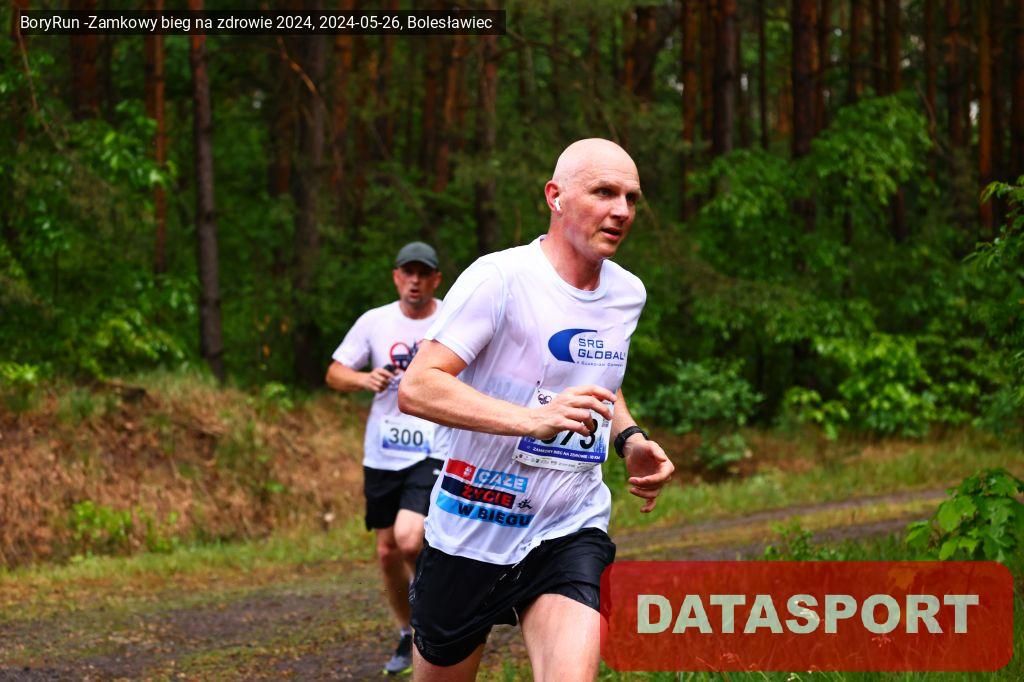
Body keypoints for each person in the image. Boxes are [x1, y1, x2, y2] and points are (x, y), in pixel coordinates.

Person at [398, 139, 675, 681]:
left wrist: (630, 439)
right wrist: (531, 420)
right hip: (473, 526)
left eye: (631, 198)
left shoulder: (628, 293)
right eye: (604, 192)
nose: (622, 210)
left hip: (567, 525)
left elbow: (599, 379)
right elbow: (419, 387)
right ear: (555, 196)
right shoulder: (499, 279)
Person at [325, 241, 447, 675]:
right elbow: (334, 372)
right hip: (383, 451)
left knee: (410, 539)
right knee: (387, 551)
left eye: (423, 274)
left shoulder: (450, 318)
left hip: (433, 446)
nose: (415, 281)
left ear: (436, 280)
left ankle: (436, 613)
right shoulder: (374, 321)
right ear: (396, 277)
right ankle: (407, 631)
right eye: (407, 273)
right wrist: (363, 379)